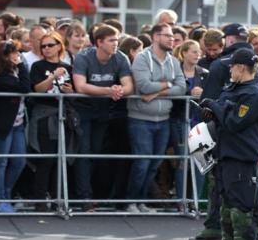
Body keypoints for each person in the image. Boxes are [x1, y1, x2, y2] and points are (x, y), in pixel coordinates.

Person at [192, 23, 258, 240]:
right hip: (247, 141)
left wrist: (217, 110)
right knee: (237, 201)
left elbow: (217, 111)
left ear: (229, 41)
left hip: (235, 143)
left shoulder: (227, 70)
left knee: (236, 202)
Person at [200, 49, 258, 240]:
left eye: (232, 66)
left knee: (241, 212)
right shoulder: (234, 89)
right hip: (226, 155)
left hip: (242, 157)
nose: (229, 69)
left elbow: (235, 122)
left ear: (241, 67)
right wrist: (212, 110)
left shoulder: (254, 94)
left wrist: (217, 107)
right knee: (228, 211)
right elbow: (222, 115)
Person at [71, 24, 134, 211]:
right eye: (112, 40)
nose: (116, 43)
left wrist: (119, 90)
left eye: (117, 40)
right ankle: (84, 197)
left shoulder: (120, 58)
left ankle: (90, 193)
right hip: (83, 111)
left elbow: (129, 86)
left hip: (104, 112)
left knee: (96, 153)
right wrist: (109, 90)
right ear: (99, 42)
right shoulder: (84, 57)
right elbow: (80, 86)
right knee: (84, 153)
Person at [126, 23, 185, 213]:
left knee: (154, 163)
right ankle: (130, 202)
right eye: (167, 35)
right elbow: (144, 86)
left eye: (172, 36)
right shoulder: (142, 59)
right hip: (140, 119)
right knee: (142, 162)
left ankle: (141, 202)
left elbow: (182, 88)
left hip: (163, 119)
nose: (172, 39)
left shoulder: (174, 61)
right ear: (155, 37)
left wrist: (158, 92)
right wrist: (168, 84)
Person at [30, 31, 74, 210]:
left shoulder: (67, 67)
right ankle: (40, 199)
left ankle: (58, 198)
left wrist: (70, 91)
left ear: (59, 46)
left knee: (61, 159)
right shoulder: (37, 66)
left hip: (63, 114)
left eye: (50, 45)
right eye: (43, 46)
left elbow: (74, 94)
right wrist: (52, 77)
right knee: (45, 159)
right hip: (43, 115)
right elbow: (37, 89)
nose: (46, 49)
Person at [0, 39, 29, 212]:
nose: (18, 56)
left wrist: (20, 67)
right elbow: (25, 88)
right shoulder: (1, 74)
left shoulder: (15, 70)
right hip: (1, 124)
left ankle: (6, 194)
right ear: (6, 56)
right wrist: (23, 67)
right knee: (0, 162)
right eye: (15, 53)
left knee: (19, 161)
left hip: (18, 123)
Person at [171, 39, 208, 207]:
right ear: (184, 53)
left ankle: (196, 200)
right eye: (193, 51)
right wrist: (188, 92)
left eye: (199, 51)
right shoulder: (174, 71)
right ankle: (181, 200)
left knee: (200, 161)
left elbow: (211, 96)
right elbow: (171, 93)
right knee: (182, 161)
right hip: (180, 120)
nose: (197, 54)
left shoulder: (204, 73)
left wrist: (204, 93)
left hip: (198, 123)